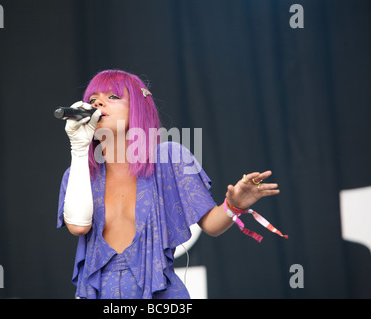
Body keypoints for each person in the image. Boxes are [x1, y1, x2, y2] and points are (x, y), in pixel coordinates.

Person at [57, 69, 284, 299]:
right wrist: (78, 147)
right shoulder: (77, 175)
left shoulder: (169, 158)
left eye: (112, 97)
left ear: (137, 106)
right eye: (92, 100)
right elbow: (78, 226)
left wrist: (234, 204)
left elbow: (211, 225)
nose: (98, 104)